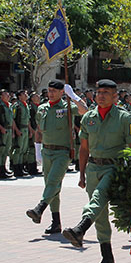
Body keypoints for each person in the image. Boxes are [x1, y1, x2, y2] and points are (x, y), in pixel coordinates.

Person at [61, 79, 131, 263]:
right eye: (99, 92)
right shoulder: (88, 118)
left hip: (114, 167)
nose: (101, 95)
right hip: (94, 168)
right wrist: (81, 174)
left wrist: (129, 173)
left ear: (115, 96)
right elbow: (84, 149)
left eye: (106, 92)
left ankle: (80, 228)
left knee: (98, 198)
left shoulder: (125, 118)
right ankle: (107, 259)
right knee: (101, 215)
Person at [25, 81, 88, 235]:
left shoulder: (67, 107)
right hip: (47, 151)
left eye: (54, 91)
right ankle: (56, 222)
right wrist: (38, 149)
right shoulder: (42, 108)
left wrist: (73, 96)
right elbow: (39, 130)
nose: (51, 93)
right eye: (49, 90)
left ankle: (39, 208)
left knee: (52, 182)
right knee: (52, 187)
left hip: (63, 152)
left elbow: (85, 111)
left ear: (62, 92)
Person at [0, 89, 14, 180]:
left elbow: (12, 120)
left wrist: (13, 131)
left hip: (8, 130)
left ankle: (3, 168)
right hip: (1, 130)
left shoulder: (9, 105)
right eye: (6, 94)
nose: (8, 95)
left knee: (6, 150)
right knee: (0, 150)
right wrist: (1, 128)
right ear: (1, 96)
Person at [10, 90, 31, 177]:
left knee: (24, 149)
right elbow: (13, 119)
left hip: (25, 128)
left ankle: (21, 166)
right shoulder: (16, 106)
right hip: (20, 128)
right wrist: (16, 130)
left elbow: (28, 119)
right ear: (19, 96)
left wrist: (30, 130)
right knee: (18, 149)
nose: (26, 95)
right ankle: (16, 168)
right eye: (23, 94)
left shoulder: (26, 105)